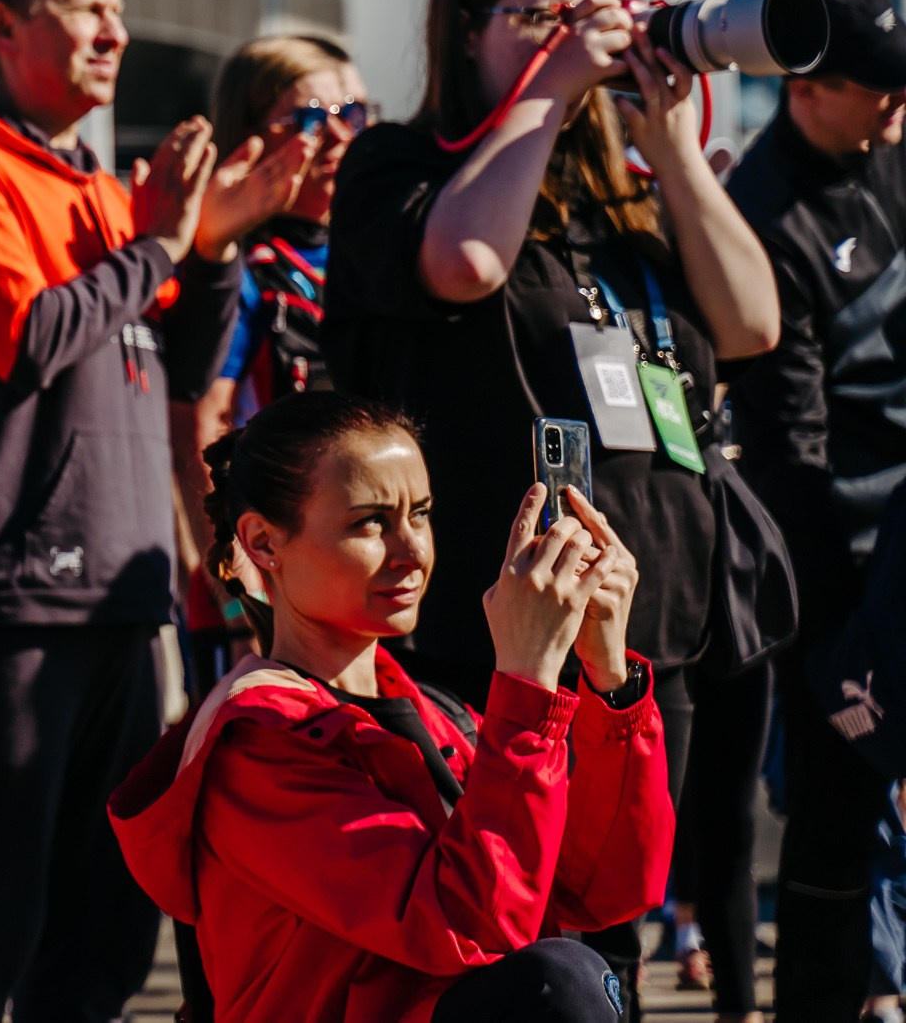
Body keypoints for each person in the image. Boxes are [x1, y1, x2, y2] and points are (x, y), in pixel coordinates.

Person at [321, 0, 779, 1014]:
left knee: (608, 919)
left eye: (587, 11)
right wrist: (554, 79)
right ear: (466, 30)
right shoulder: (399, 166)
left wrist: (668, 149)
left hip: (635, 632)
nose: (576, 35)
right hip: (485, 635)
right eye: (539, 13)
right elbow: (467, 261)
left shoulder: (622, 196)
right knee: (504, 930)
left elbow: (752, 322)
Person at [0, 0, 247, 1023]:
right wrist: (160, 246)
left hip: (126, 597)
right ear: (5, 25)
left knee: (106, 928)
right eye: (88, 8)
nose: (116, 32)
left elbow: (178, 358)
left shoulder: (100, 185)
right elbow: (30, 338)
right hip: (13, 595)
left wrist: (213, 246)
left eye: (118, 11)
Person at [108, 392, 672, 1023]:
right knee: (558, 986)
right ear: (263, 543)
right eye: (369, 523)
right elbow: (463, 924)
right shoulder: (257, 745)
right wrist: (528, 677)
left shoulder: (428, 708)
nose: (412, 551)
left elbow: (600, 891)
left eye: (421, 514)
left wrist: (609, 680)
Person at [724, 0, 906, 1023]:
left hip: (902, 540)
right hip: (841, 571)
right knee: (835, 825)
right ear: (807, 88)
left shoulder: (881, 158)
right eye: (876, 89)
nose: (895, 108)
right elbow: (788, 444)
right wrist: (835, 638)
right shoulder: (764, 208)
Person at [172, 35, 358, 710]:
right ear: (249, 137)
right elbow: (197, 419)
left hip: (361, 573)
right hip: (265, 587)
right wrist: (235, 585)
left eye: (354, 112)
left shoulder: (377, 250)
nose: (338, 133)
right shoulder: (235, 267)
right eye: (310, 117)